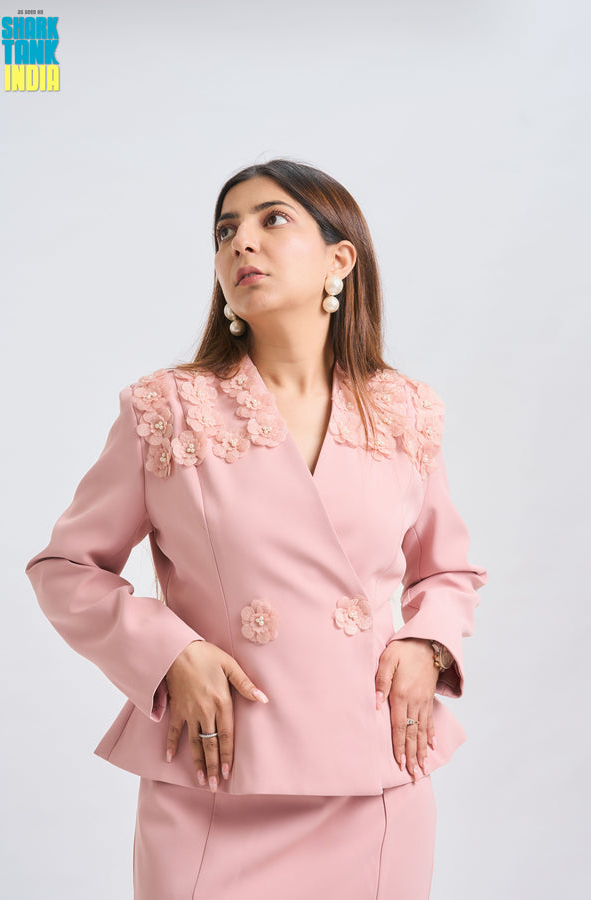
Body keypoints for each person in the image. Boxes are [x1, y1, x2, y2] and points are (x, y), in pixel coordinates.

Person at [25, 158, 488, 900]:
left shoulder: (405, 410)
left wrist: (427, 643)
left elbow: (448, 571)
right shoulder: (168, 408)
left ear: (341, 259)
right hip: (218, 775)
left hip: (374, 777)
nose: (242, 242)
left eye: (273, 220)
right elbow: (64, 568)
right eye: (225, 230)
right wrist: (170, 652)